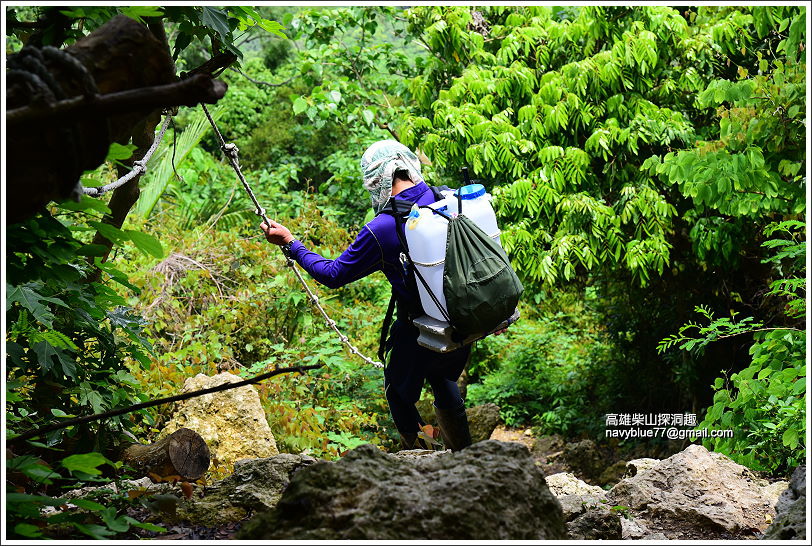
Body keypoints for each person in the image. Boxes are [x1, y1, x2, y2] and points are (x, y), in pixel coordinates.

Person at [260, 140, 474, 452]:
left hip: (419, 327)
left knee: (399, 394)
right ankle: (469, 458)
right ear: (409, 166)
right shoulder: (444, 198)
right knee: (443, 380)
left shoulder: (382, 228)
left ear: (377, 182)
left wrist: (292, 243)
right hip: (464, 316)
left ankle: (424, 465)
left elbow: (333, 274)